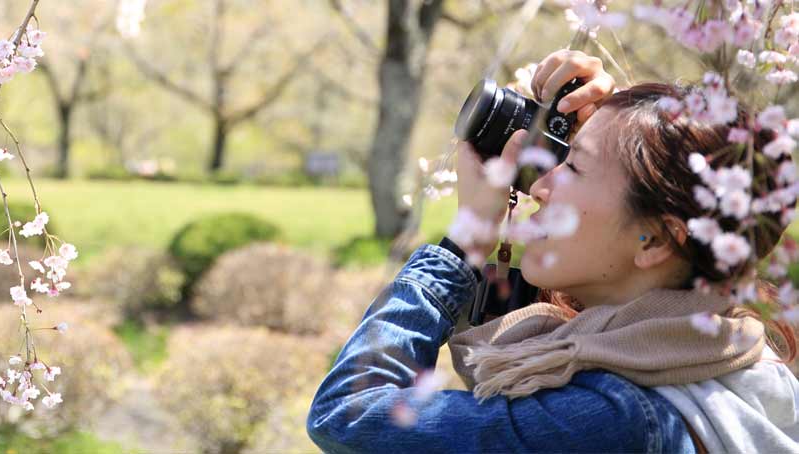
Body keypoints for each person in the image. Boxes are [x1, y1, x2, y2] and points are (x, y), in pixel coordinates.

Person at [306, 49, 799, 453]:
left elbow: (350, 414)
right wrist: (614, 127)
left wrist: (462, 244)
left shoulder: (612, 421)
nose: (541, 183)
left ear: (654, 240)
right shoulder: (739, 369)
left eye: (574, 168)